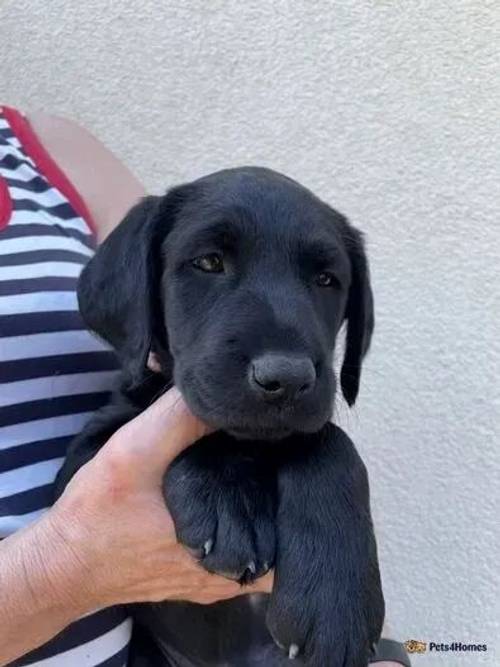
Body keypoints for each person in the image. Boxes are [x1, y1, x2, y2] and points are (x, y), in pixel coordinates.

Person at [0, 106, 409, 666]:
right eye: (210, 261)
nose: (285, 362)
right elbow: (89, 488)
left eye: (324, 279)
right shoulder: (114, 440)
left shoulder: (51, 152)